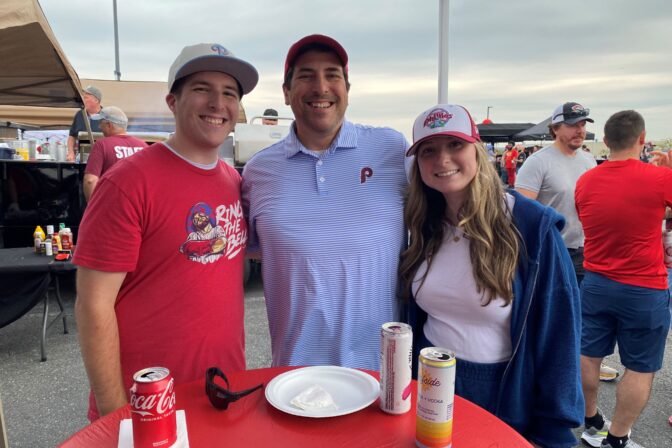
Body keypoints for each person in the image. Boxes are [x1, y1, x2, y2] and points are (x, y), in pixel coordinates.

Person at [73, 43, 258, 421]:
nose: (217, 103)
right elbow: (93, 305)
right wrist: (114, 416)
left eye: (229, 94)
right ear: (173, 101)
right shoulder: (128, 182)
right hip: (148, 404)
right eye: (202, 88)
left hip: (220, 390)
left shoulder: (234, 182)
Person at [400, 103, 583, 448]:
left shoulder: (530, 227)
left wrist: (554, 431)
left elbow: (561, 336)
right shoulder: (422, 226)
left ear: (477, 149)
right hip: (429, 388)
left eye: (455, 145)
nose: (442, 160)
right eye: (429, 150)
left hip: (501, 393)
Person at [242, 34, 409, 370]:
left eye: (332, 75)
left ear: (347, 89)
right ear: (286, 93)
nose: (321, 87)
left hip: (383, 371)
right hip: (294, 373)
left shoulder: (392, 150)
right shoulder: (258, 171)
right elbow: (245, 252)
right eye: (306, 75)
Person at [576, 110, 672, 448]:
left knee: (588, 355)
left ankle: (591, 421)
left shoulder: (586, 180)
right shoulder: (659, 178)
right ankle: (616, 438)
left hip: (597, 281)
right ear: (643, 138)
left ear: (605, 141)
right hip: (644, 288)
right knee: (641, 366)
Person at [515, 101, 618, 383]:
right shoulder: (539, 162)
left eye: (584, 124)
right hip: (552, 252)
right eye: (573, 124)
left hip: (587, 250)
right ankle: (546, 373)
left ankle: (585, 363)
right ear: (556, 128)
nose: (580, 130)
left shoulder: (587, 160)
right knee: (552, 317)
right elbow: (521, 212)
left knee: (585, 314)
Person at [82, 106, 148, 201]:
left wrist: (92, 206)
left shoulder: (101, 145)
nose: (99, 127)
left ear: (109, 125)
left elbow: (90, 180)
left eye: (101, 123)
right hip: (138, 208)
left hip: (111, 208)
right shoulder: (143, 145)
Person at [67, 85, 103, 162]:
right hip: (82, 158)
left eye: (86, 98)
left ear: (96, 100)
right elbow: (72, 136)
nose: (83, 100)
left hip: (102, 158)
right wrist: (71, 152)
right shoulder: (79, 115)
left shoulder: (107, 116)